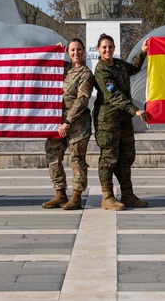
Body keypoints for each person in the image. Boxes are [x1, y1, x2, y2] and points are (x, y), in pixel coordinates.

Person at [92, 33, 149, 210]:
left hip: (123, 119)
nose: (107, 50)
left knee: (126, 156)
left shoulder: (118, 65)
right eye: (104, 47)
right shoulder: (101, 70)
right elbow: (114, 96)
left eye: (110, 47)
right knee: (109, 158)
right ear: (98, 50)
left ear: (114, 48)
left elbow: (133, 68)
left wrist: (143, 51)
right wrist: (135, 110)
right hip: (107, 121)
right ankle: (107, 197)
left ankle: (128, 194)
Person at [41, 38, 96, 210]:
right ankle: (60, 194)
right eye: (72, 50)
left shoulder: (86, 74)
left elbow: (82, 100)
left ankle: (76, 196)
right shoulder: (63, 69)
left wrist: (67, 122)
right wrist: (53, 51)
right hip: (57, 122)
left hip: (77, 125)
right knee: (52, 155)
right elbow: (44, 69)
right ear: (68, 52)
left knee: (77, 159)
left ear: (84, 51)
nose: (75, 53)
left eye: (79, 50)